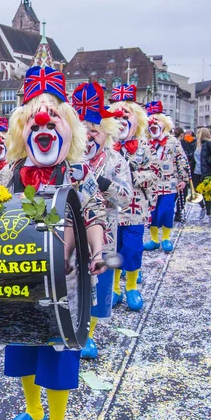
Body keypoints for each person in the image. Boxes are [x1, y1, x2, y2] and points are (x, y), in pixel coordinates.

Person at [0, 66, 108, 420]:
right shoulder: (10, 172)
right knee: (23, 346)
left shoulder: (79, 172)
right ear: (22, 130)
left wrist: (100, 250)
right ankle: (33, 411)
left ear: (68, 128)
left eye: (51, 124)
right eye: (36, 125)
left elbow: (94, 215)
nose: (43, 130)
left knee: (59, 354)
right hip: (19, 278)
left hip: (67, 280)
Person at [71, 82, 133, 359]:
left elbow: (126, 198)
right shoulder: (67, 158)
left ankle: (88, 335)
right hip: (70, 234)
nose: (88, 136)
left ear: (104, 133)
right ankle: (69, 328)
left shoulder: (117, 160)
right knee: (72, 282)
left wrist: (102, 181)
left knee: (101, 283)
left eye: (93, 130)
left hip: (105, 234)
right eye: (83, 131)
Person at [109, 84, 160, 312]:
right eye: (116, 115)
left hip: (135, 210)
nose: (121, 119)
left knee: (131, 250)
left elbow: (155, 173)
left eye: (125, 114)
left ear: (136, 119)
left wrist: (132, 174)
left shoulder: (144, 147)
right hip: (110, 211)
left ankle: (131, 287)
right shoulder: (107, 147)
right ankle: (114, 289)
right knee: (112, 251)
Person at [143, 101, 189, 253]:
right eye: (151, 122)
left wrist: (183, 179)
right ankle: (155, 240)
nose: (153, 125)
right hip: (151, 184)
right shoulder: (145, 142)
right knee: (153, 212)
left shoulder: (173, 141)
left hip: (170, 183)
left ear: (164, 124)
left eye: (157, 121)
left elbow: (181, 159)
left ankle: (166, 239)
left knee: (167, 210)